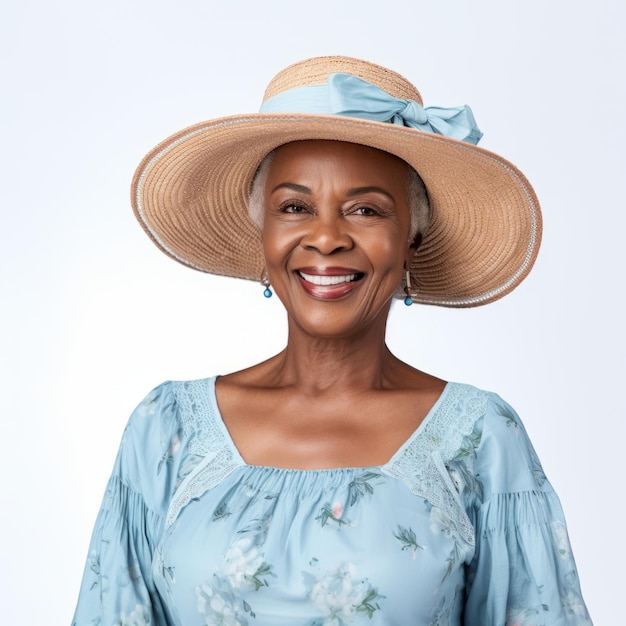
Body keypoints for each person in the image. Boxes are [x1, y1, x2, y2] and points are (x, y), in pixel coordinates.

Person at [72, 56, 592, 625]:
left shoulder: (479, 438)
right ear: (263, 235)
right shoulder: (166, 428)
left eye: (365, 210)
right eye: (294, 207)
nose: (326, 238)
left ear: (411, 239)